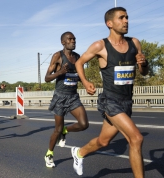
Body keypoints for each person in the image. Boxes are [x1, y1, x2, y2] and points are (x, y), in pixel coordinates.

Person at [73, 7, 148, 177]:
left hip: (126, 101)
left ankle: (79, 153)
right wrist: (85, 82)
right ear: (110, 23)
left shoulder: (134, 43)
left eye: (127, 17)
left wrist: (143, 63)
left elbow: (143, 72)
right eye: (121, 18)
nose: (126, 21)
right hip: (110, 100)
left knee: (103, 141)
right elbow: (79, 62)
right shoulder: (101, 45)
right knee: (136, 138)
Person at [44, 31, 89, 168]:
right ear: (63, 42)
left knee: (83, 124)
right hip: (60, 97)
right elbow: (46, 78)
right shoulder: (58, 56)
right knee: (56, 130)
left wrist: (87, 84)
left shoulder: (77, 57)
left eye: (74, 39)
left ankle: (66, 130)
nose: (73, 41)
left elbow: (80, 75)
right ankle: (49, 154)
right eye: (70, 39)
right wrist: (59, 72)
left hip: (73, 96)